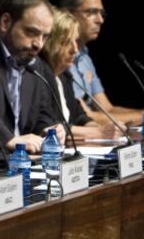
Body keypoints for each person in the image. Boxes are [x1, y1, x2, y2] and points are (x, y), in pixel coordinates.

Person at [0, 0, 65, 154]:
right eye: (32, 32)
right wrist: (9, 139)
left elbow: (43, 113)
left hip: (23, 160)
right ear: (5, 22)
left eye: (45, 36)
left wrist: (50, 130)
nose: (38, 44)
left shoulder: (34, 63)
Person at [58, 0, 144, 125]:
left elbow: (106, 109)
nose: (100, 20)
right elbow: (83, 116)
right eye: (92, 12)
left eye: (101, 13)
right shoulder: (58, 58)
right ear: (68, 14)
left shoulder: (85, 57)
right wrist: (141, 117)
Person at [40, 8, 123, 140]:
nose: (75, 50)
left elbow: (79, 116)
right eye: (67, 42)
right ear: (50, 42)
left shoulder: (64, 76)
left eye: (76, 41)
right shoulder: (40, 76)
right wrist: (99, 133)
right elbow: (50, 125)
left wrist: (103, 128)